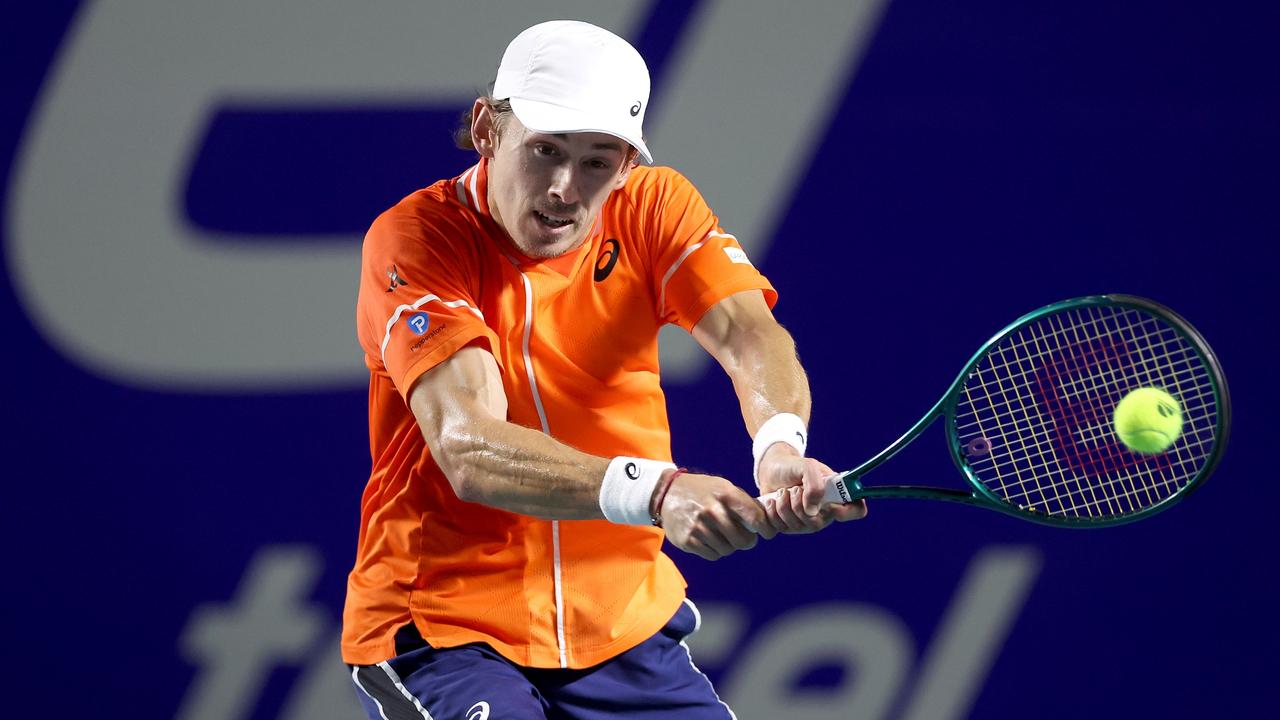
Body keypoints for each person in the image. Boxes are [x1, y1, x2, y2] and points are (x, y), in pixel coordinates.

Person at [342, 19, 866, 720]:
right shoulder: (418, 238)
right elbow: (469, 445)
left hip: (621, 622)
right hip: (447, 624)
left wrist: (779, 449)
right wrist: (658, 492)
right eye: (545, 150)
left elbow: (748, 332)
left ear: (627, 164)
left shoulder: (655, 206)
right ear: (488, 130)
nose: (565, 188)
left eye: (597, 160)